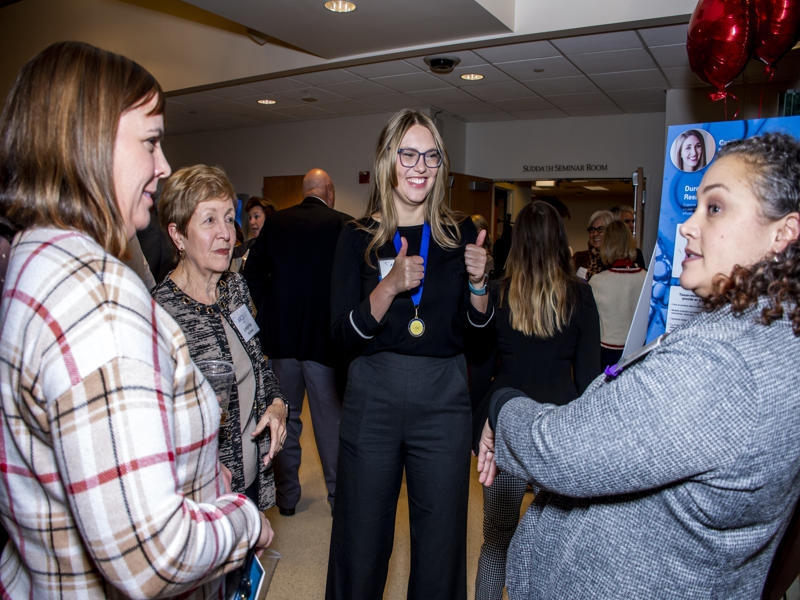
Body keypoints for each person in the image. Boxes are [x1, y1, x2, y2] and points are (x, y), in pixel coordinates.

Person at [477, 132, 800, 599]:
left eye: (714, 208)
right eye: (695, 207)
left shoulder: (721, 363)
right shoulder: (772, 339)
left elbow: (563, 450)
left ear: (783, 234)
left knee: (495, 536)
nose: (687, 226)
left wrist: (500, 404)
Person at [0, 41, 270, 598]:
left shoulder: (35, 257)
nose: (162, 166)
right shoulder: (100, 299)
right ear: (89, 143)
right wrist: (245, 521)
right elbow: (152, 555)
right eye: (150, 142)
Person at [325, 109, 493, 600]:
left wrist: (480, 285)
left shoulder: (460, 236)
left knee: (441, 547)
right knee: (360, 541)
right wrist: (389, 287)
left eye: (431, 156)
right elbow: (340, 338)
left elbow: (478, 338)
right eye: (409, 154)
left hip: (443, 401)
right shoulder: (357, 237)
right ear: (387, 161)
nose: (421, 166)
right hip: (372, 396)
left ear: (441, 165)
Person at [474, 201, 601, 600]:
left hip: (506, 423)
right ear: (560, 241)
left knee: (496, 539)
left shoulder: (497, 293)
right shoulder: (580, 295)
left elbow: (480, 369)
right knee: (559, 548)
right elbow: (590, 378)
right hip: (557, 427)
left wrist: (478, 426)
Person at [152, 164, 289, 512]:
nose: (226, 233)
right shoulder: (159, 314)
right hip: (201, 493)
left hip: (252, 471)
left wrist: (277, 404)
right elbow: (154, 427)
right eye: (209, 220)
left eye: (229, 218)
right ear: (178, 235)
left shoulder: (235, 289)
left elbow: (260, 365)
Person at [244, 167, 349, 516]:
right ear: (329, 192)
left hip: (282, 341)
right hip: (324, 343)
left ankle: (287, 497)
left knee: (283, 418)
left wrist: (267, 311)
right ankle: (338, 498)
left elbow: (251, 274)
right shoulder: (342, 224)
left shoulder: (276, 223)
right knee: (329, 424)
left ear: (305, 191)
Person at [588, 219, 647, 367]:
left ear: (606, 245)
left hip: (606, 352)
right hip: (638, 351)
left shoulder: (597, 281)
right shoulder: (646, 278)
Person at [572, 209, 614, 280]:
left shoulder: (616, 260)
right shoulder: (579, 259)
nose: (595, 234)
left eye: (600, 229)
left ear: (611, 232)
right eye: (592, 229)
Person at [610, 204, 647, 269]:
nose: (632, 225)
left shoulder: (637, 253)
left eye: (633, 221)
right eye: (627, 221)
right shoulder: (605, 253)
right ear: (615, 225)